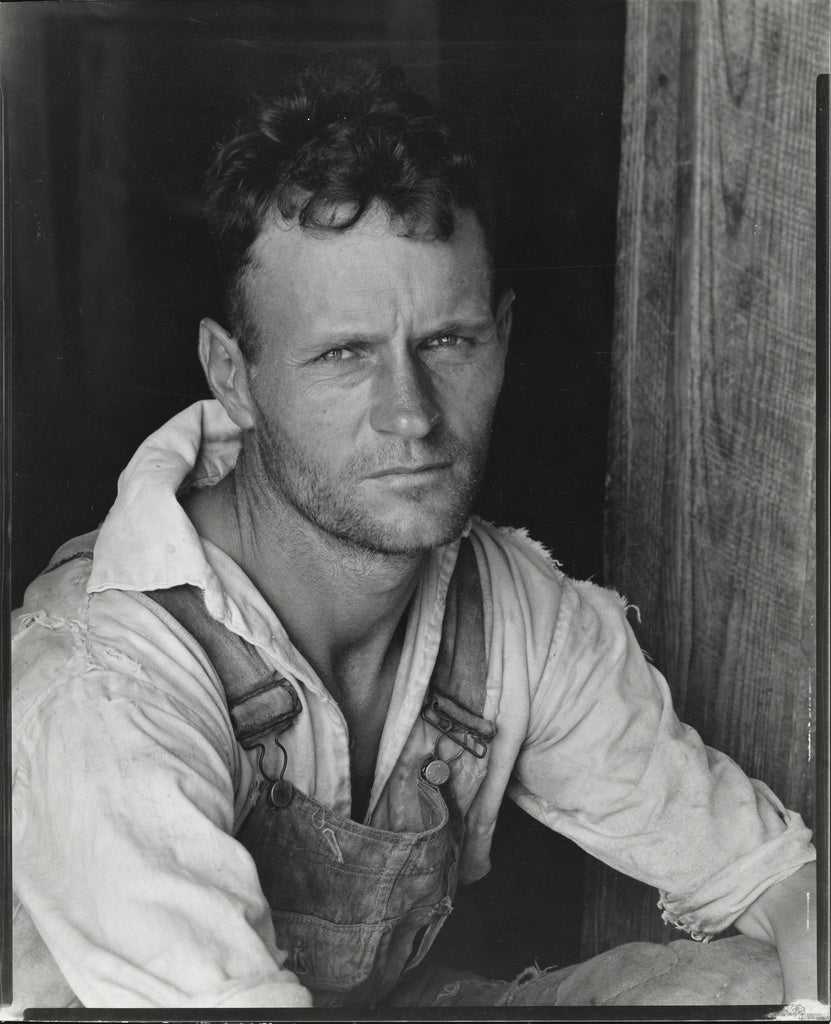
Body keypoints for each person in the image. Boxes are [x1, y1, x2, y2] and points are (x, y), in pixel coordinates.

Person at [9, 58, 816, 1012]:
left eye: (446, 342)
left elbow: (780, 886)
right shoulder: (104, 677)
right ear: (231, 373)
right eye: (344, 355)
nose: (411, 415)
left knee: (753, 983)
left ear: (501, 340)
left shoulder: (510, 609)